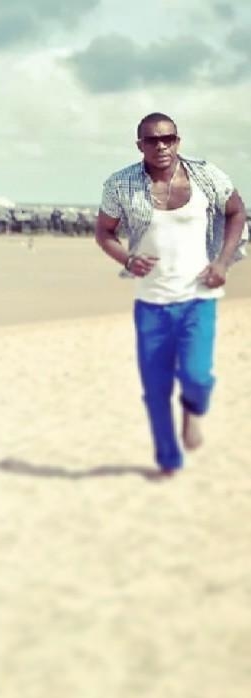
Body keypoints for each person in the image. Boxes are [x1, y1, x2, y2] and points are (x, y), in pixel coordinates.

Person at [95, 112, 247, 476]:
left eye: (168, 138)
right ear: (140, 145)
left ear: (178, 141)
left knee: (197, 377)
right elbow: (104, 232)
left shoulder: (207, 175)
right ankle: (168, 460)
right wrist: (127, 259)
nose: (161, 146)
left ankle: (194, 409)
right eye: (152, 140)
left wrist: (223, 262)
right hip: (151, 304)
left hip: (198, 299)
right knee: (156, 389)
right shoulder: (120, 184)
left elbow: (237, 212)